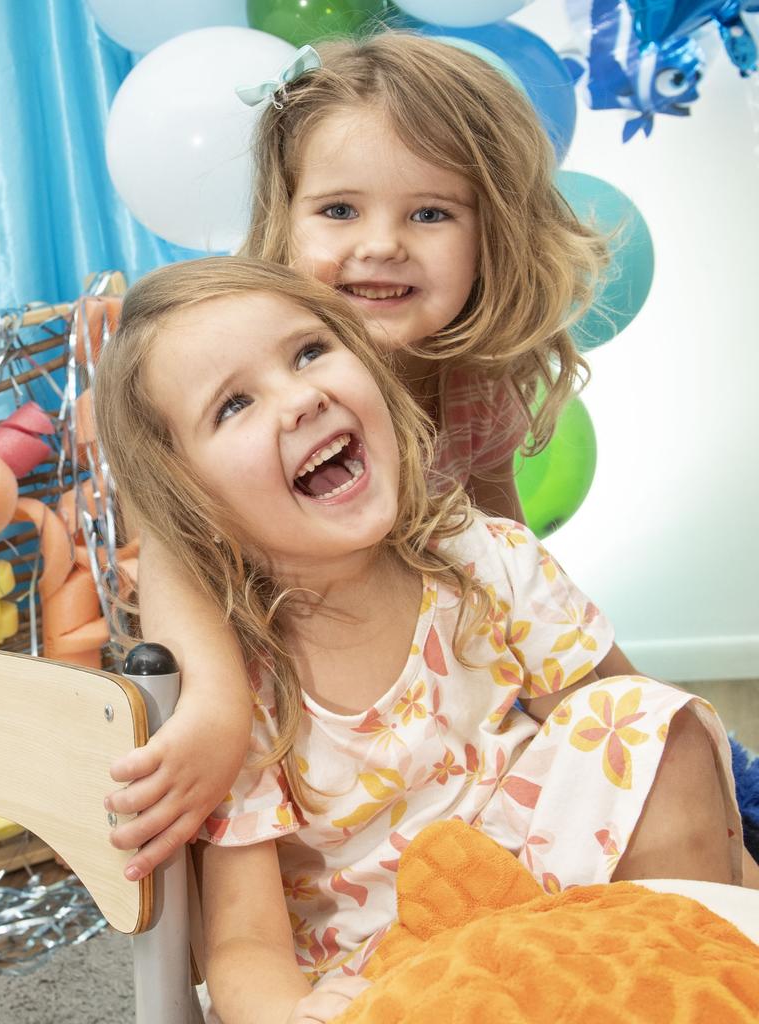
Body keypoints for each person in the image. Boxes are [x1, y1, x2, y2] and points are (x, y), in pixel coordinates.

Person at [95, 257, 743, 1024]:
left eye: (309, 352)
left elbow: (631, 759)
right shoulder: (241, 688)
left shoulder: (483, 558)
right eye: (234, 404)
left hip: (560, 916)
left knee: (640, 719)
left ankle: (692, 968)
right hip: (396, 972)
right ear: (192, 502)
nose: (301, 398)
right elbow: (245, 946)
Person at [106, 32, 632, 881]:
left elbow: (505, 539)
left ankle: (693, 775)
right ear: (284, 217)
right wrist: (214, 701)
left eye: (429, 213)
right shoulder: (251, 371)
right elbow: (169, 545)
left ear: (489, 231)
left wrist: (559, 675)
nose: (381, 244)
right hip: (301, 692)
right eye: (339, 210)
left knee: (627, 702)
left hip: (430, 676)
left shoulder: (470, 381)